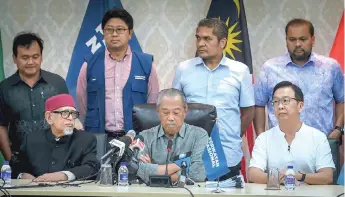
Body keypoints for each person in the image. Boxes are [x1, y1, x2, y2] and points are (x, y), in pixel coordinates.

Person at [172, 18, 255, 180]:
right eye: (198, 38)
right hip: (190, 153)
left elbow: (249, 110)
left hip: (227, 152)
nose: (200, 43)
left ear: (222, 42)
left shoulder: (240, 71)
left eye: (207, 39)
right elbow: (173, 107)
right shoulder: (184, 69)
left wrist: (234, 134)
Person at [77, 8, 159, 139]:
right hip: (98, 139)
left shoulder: (146, 64)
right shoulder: (89, 64)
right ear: (103, 33)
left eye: (120, 29)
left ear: (130, 33)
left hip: (135, 138)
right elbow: (82, 103)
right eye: (109, 29)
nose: (114, 34)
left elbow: (152, 105)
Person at [254, 18, 344, 139]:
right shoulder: (270, 68)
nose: (297, 44)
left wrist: (338, 129)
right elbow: (258, 104)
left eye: (303, 39)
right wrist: (261, 138)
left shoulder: (330, 67)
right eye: (292, 39)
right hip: (280, 145)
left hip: (323, 143)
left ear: (312, 40)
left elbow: (342, 100)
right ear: (286, 41)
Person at [0, 32, 70, 161]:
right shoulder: (4, 88)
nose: (31, 62)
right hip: (20, 159)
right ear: (15, 59)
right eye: (25, 57)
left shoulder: (57, 83)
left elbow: (69, 120)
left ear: (41, 57)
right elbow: (1, 126)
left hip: (56, 158)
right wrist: (10, 161)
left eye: (35, 56)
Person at [248, 81, 334, 185]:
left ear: (300, 106)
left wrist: (299, 176)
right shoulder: (264, 138)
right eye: (276, 101)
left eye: (285, 101)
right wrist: (279, 178)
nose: (280, 106)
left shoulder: (318, 137)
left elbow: (327, 176)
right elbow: (253, 174)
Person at [11, 94, 100, 182]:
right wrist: (22, 175)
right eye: (65, 113)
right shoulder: (32, 139)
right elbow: (16, 166)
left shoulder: (85, 140)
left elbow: (92, 168)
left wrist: (64, 175)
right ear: (49, 117)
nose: (70, 118)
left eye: (73, 113)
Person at [137, 88, 208, 183]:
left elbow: (198, 174)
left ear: (185, 111)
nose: (171, 118)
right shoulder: (144, 137)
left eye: (176, 113)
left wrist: (155, 171)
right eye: (165, 113)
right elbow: (139, 170)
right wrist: (182, 165)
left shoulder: (199, 135)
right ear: (158, 112)